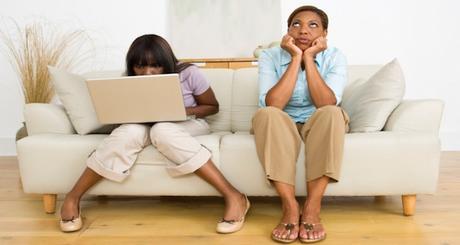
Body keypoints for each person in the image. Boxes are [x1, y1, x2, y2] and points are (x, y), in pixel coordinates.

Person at [59, 34, 250, 234]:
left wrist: (180, 111)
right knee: (128, 133)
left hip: (186, 123)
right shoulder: (128, 80)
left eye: (155, 66)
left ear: (166, 62)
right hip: (143, 124)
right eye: (140, 66)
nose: (147, 72)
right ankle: (73, 197)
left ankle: (233, 196)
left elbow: (212, 106)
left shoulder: (188, 72)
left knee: (162, 129)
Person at [252, 5, 349, 243]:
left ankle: (313, 207)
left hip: (318, 120)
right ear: (287, 31)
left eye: (312, 25)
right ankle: (290, 207)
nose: (303, 30)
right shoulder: (269, 56)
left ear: (324, 34)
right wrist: (296, 57)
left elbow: (326, 102)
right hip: (282, 120)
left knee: (332, 112)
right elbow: (273, 104)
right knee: (266, 114)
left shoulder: (335, 56)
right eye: (296, 24)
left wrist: (310, 58)